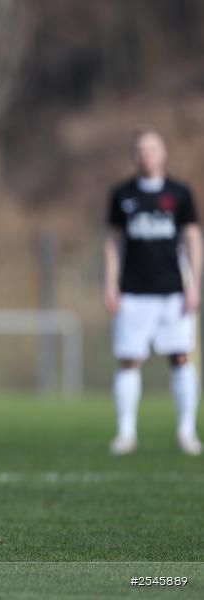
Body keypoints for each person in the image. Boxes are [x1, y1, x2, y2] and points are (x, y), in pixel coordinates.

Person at [104, 127, 203, 455]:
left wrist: (195, 286)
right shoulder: (122, 194)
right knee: (129, 360)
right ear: (134, 155)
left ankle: (187, 431)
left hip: (173, 292)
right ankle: (125, 433)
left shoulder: (179, 193)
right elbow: (114, 241)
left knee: (180, 357)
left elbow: (192, 238)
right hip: (133, 292)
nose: (145, 154)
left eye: (152, 148)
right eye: (140, 149)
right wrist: (111, 283)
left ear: (163, 153)